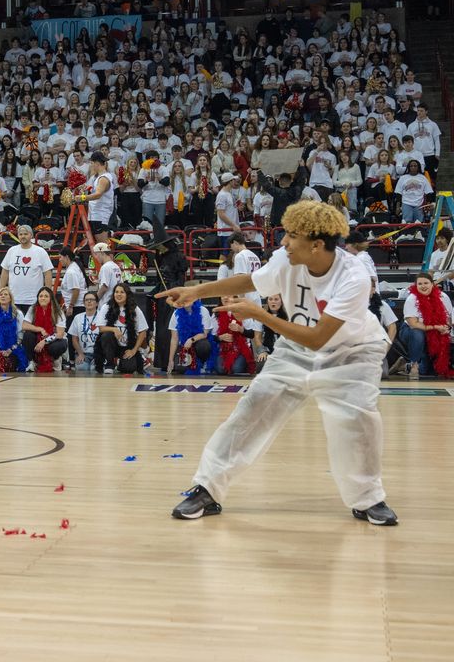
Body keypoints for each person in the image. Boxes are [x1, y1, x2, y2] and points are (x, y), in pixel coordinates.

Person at [159, 201, 397, 526]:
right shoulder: (287, 258)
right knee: (253, 407)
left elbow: (319, 338)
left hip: (352, 353)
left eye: (292, 235)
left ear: (316, 245)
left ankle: (369, 499)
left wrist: (259, 315)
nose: (283, 241)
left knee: (356, 421)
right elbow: (251, 281)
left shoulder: (354, 276)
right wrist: (197, 290)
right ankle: (208, 489)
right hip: (297, 348)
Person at [398, 272, 453, 379]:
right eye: (420, 284)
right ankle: (414, 365)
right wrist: (436, 327)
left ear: (432, 284)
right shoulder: (412, 299)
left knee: (427, 371)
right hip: (410, 331)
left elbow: (448, 319)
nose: (423, 286)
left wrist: (447, 328)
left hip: (433, 332)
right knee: (418, 334)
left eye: (426, 283)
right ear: (416, 285)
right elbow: (413, 324)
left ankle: (404, 366)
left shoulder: (443, 297)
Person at [94, 283, 148, 374]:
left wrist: (134, 350)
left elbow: (143, 332)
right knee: (106, 335)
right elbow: (101, 328)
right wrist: (114, 329)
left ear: (127, 295)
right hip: (111, 345)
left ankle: (120, 364)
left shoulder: (135, 309)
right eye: (116, 292)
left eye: (122, 292)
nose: (118, 294)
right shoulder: (106, 307)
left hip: (126, 346)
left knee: (129, 368)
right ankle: (109, 364)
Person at [0, 225, 54, 313]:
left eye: (25, 234)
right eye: (20, 234)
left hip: (34, 299)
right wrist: (0, 292)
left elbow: (47, 273)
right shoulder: (11, 251)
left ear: (31, 235)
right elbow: (5, 271)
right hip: (13, 299)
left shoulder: (40, 251)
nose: (23, 236)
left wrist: (48, 294)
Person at [22, 286, 68, 372]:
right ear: (38, 298)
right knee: (28, 335)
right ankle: (32, 361)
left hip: (53, 339)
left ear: (51, 298)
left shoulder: (58, 312)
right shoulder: (33, 309)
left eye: (46, 296)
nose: (43, 298)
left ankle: (55, 359)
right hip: (37, 338)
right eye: (41, 296)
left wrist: (44, 341)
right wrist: (40, 329)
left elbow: (60, 334)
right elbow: (24, 325)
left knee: (59, 345)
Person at [0, 286, 27, 372]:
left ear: (10, 298)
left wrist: (11, 349)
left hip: (13, 349)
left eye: (5, 294)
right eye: (1, 295)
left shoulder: (18, 313)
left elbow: (21, 334)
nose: (3, 296)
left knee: (9, 365)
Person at [167, 299, 216, 374]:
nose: (186, 301)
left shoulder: (203, 310)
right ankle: (193, 362)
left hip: (200, 341)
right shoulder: (176, 313)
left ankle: (203, 362)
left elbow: (204, 334)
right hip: (184, 345)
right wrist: (171, 360)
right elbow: (174, 338)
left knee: (204, 346)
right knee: (180, 369)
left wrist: (191, 340)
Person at [75, 151, 116, 235]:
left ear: (96, 163)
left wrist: (82, 197)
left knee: (102, 245)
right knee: (99, 244)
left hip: (100, 214)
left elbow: (98, 195)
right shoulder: (99, 177)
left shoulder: (103, 178)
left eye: (92, 163)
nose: (91, 165)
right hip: (96, 213)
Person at [68, 291, 102, 372]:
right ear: (83, 303)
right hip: (83, 353)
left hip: (98, 354)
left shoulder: (102, 316)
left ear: (97, 303)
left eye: (92, 299)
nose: (89, 301)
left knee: (94, 370)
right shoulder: (78, 317)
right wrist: (80, 354)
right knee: (82, 369)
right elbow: (74, 339)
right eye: (87, 300)